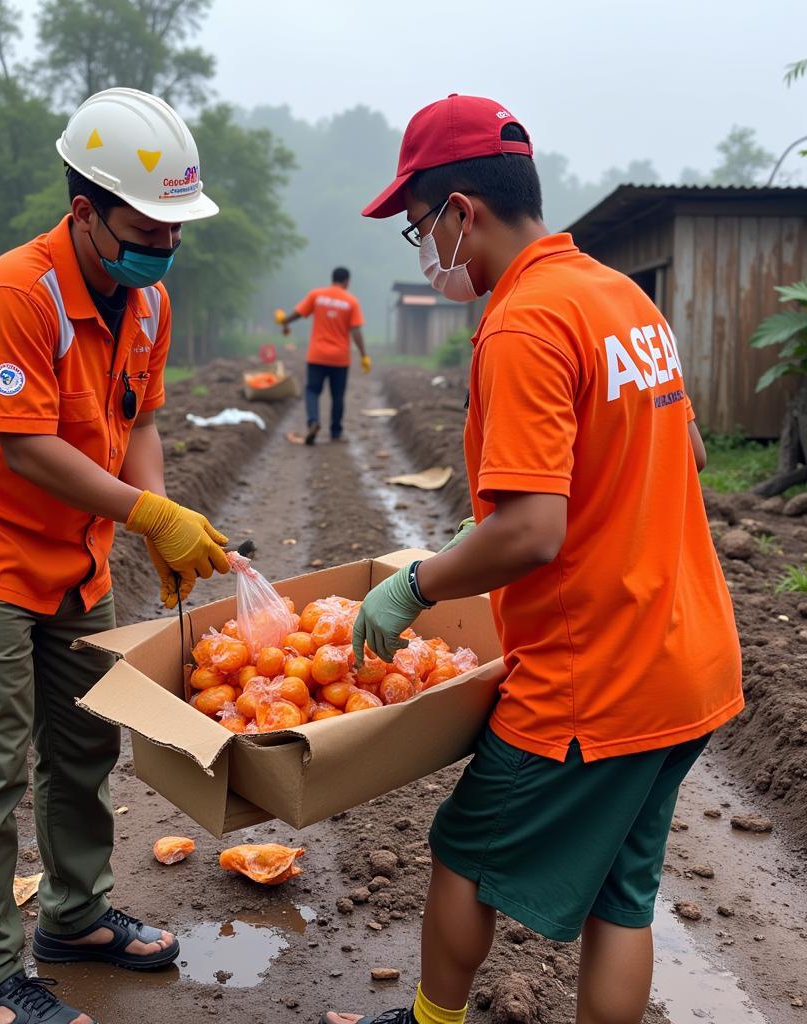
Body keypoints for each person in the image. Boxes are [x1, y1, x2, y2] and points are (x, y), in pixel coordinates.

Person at [322, 94, 743, 1024]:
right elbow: (694, 454)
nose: (423, 250)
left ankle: (434, 1023)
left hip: (597, 680)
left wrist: (414, 584)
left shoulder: (523, 324)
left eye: (419, 227)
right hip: (691, 661)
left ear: (463, 211)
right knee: (621, 895)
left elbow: (529, 532)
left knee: (464, 854)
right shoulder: (618, 295)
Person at [0, 88, 230, 1024]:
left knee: (86, 745)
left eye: (178, 227)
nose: (165, 245)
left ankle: (75, 917)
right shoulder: (20, 291)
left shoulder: (148, 299)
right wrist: (146, 515)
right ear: (85, 210)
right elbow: (26, 446)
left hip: (74, 557)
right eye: (148, 224)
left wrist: (157, 509)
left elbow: (140, 417)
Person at [278, 267, 370, 444]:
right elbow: (356, 331)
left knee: (312, 390)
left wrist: (284, 321)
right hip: (340, 358)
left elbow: (299, 313)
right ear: (346, 282)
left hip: (317, 355)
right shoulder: (351, 301)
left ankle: (313, 422)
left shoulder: (317, 295)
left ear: (332, 279)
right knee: (337, 395)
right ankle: (336, 432)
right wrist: (363, 355)